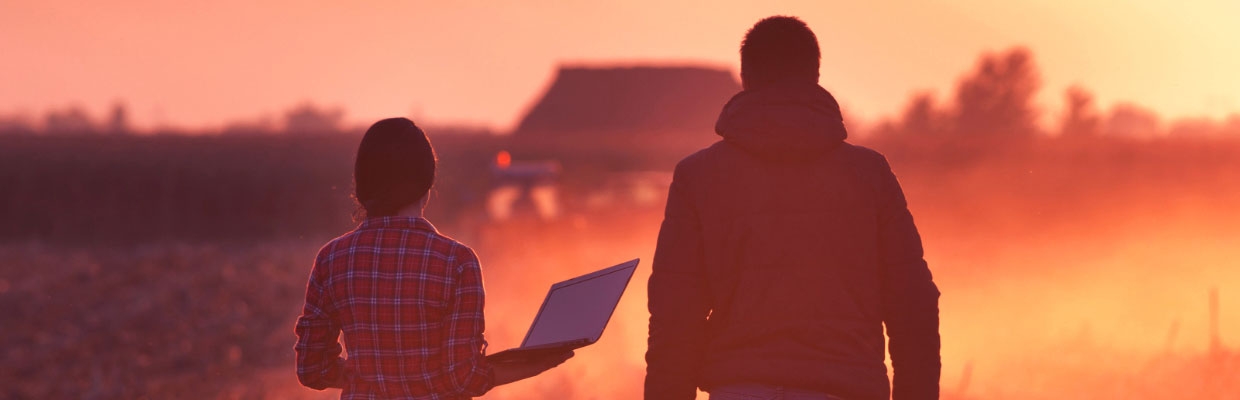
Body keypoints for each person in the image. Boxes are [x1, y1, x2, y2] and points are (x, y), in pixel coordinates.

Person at [645, 16, 941, 400]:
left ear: (745, 79)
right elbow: (913, 305)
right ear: (816, 76)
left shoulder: (698, 176)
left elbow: (674, 316)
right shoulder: (869, 174)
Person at [295, 118, 572, 399]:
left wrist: (370, 379)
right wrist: (534, 365)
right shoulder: (456, 262)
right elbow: (462, 379)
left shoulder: (331, 259)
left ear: (362, 183)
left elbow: (312, 368)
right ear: (427, 183)